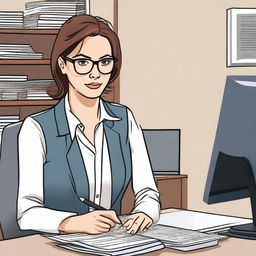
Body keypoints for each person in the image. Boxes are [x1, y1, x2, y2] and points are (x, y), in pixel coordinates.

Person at [17, 14, 160, 235]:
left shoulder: (124, 120)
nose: (95, 73)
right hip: (55, 246)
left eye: (105, 62)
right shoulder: (36, 128)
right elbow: (26, 213)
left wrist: (145, 212)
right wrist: (72, 223)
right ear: (63, 65)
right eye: (83, 62)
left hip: (112, 242)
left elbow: (148, 192)